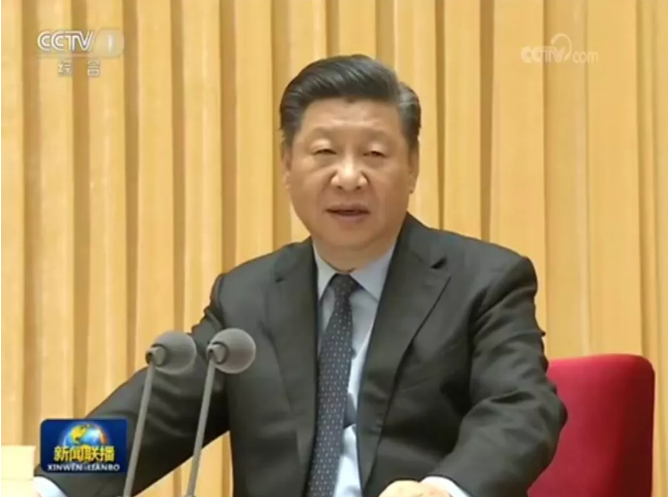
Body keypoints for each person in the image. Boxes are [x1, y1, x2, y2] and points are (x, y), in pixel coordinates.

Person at [35, 54, 566, 497]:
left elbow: (522, 408)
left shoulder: (484, 281)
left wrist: (444, 490)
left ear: (412, 166)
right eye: (325, 152)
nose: (349, 176)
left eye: (374, 154)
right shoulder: (248, 296)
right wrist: (49, 485)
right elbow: (156, 412)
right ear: (288, 163)